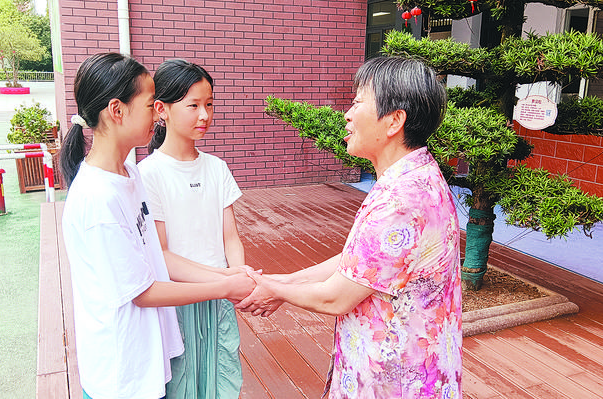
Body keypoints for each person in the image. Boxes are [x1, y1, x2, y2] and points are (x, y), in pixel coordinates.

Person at [237, 56, 462, 399]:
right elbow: (359, 264)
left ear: (394, 121)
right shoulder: (416, 177)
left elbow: (336, 296)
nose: (347, 114)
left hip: (395, 381)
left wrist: (275, 290)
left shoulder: (401, 200)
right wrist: (279, 282)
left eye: (358, 102)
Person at [59, 52, 255, 399]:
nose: (157, 112)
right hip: (121, 377)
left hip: (147, 358)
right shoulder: (98, 199)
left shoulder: (128, 175)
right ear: (117, 111)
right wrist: (226, 286)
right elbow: (144, 291)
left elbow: (154, 258)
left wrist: (231, 276)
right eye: (151, 105)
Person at [138, 59, 245, 399]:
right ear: (162, 110)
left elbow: (231, 237)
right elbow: (162, 254)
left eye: (209, 104)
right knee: (181, 382)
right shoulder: (149, 174)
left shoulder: (217, 168)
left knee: (220, 377)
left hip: (221, 294)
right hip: (179, 298)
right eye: (194, 105)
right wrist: (227, 282)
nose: (205, 115)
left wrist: (239, 274)